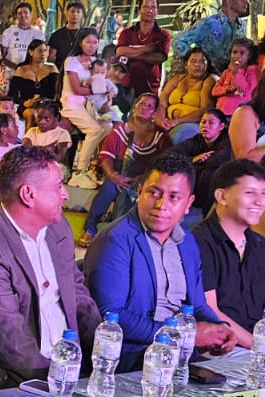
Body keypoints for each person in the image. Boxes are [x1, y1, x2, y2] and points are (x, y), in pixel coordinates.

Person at [0, 145, 101, 388]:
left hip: (72, 364)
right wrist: (58, 384)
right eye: (57, 187)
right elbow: (9, 337)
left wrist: (102, 348)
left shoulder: (58, 228)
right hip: (22, 378)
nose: (65, 194)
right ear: (28, 194)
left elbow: (76, 292)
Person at [85, 153, 236, 368]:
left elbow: (197, 304)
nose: (161, 204)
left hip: (179, 356)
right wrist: (184, 335)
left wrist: (220, 328)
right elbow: (110, 316)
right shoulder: (115, 240)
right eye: (153, 193)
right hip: (131, 361)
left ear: (188, 203)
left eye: (174, 197)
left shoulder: (187, 242)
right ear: (139, 192)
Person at [193, 159, 265, 347]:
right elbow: (210, 310)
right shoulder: (199, 242)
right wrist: (258, 346)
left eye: (263, 193)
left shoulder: (262, 246)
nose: (260, 201)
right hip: (220, 346)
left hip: (261, 345)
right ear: (222, 197)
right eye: (249, 193)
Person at [81, 92, 171, 244]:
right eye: (141, 104)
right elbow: (106, 156)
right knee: (109, 188)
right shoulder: (120, 131)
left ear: (154, 113)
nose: (144, 108)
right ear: (135, 107)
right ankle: (90, 229)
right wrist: (113, 175)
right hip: (120, 178)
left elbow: (165, 162)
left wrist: (145, 179)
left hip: (146, 182)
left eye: (149, 106)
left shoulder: (160, 136)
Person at [58, 29, 109, 184]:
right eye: (88, 42)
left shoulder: (97, 62)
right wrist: (98, 90)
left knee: (108, 127)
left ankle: (95, 166)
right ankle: (80, 171)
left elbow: (101, 85)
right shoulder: (72, 61)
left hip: (89, 105)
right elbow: (77, 89)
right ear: (80, 42)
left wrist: (105, 92)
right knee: (95, 129)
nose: (91, 45)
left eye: (95, 42)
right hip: (72, 104)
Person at [172, 0, 248, 71]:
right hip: (210, 76)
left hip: (232, 75)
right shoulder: (208, 24)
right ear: (229, 1)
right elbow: (177, 42)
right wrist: (195, 60)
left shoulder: (242, 26)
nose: (247, 2)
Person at [115, 0, 171, 98]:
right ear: (139, 9)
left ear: (157, 11)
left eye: (153, 7)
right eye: (145, 7)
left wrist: (131, 53)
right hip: (125, 86)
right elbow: (120, 52)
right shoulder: (126, 32)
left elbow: (159, 58)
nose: (149, 11)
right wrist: (147, 49)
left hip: (150, 89)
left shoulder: (163, 34)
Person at [160, 46, 217, 124]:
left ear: (207, 64)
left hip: (195, 124)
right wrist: (161, 122)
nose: (198, 64)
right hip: (170, 122)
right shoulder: (177, 79)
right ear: (186, 65)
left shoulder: (209, 80)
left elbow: (206, 110)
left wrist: (176, 121)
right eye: (194, 61)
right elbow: (161, 104)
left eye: (202, 61)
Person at [212, 38, 260, 119]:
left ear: (249, 56)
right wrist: (226, 90)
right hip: (221, 113)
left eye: (242, 53)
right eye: (234, 52)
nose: (237, 56)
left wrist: (236, 73)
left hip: (239, 115)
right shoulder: (226, 72)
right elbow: (214, 91)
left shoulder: (252, 70)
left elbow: (247, 92)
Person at [0, 1, 43, 66]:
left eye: (25, 12)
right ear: (16, 16)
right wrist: (15, 67)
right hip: (11, 70)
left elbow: (41, 54)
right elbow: (2, 55)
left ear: (31, 14)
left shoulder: (38, 34)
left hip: (31, 70)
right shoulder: (8, 32)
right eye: (19, 13)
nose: (23, 15)